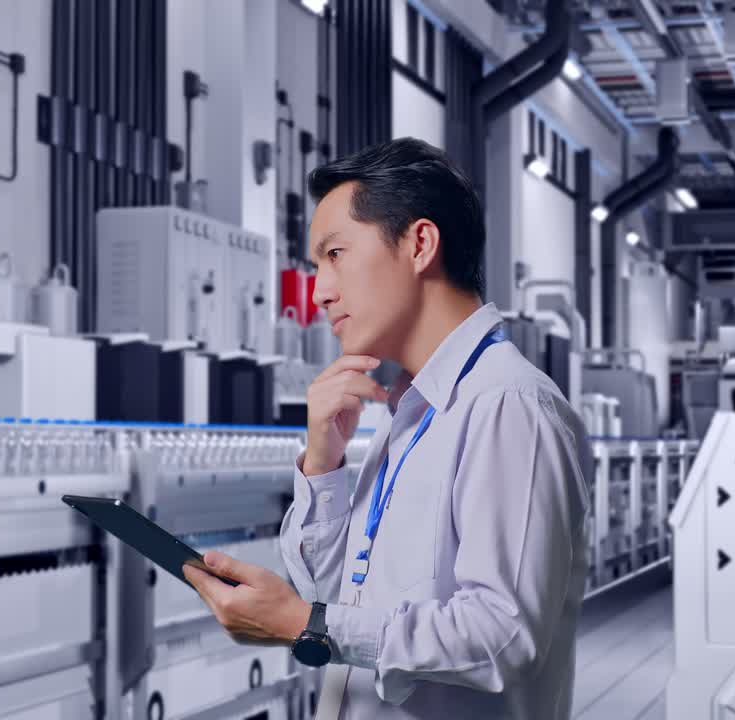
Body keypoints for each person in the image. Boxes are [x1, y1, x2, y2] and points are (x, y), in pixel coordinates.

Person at [182, 137, 590, 719]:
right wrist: (323, 465)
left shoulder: (506, 404)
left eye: (335, 254)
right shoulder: (411, 409)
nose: (319, 291)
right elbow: (339, 600)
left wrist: (304, 624)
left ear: (420, 244)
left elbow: (502, 636)